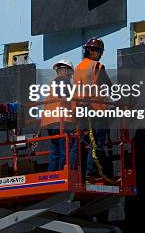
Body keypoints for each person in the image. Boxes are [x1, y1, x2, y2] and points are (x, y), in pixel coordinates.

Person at [73, 38, 112, 182]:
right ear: (90, 51)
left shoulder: (78, 68)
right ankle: (91, 171)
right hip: (95, 109)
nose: (100, 54)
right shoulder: (96, 66)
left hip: (81, 110)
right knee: (97, 142)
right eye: (98, 51)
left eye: (101, 52)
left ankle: (74, 171)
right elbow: (109, 85)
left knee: (82, 142)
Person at [40, 59, 77, 172]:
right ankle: (63, 173)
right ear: (66, 70)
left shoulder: (53, 82)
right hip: (61, 121)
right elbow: (65, 98)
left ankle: (52, 175)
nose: (71, 75)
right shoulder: (63, 81)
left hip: (51, 122)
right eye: (70, 72)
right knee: (65, 149)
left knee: (55, 151)